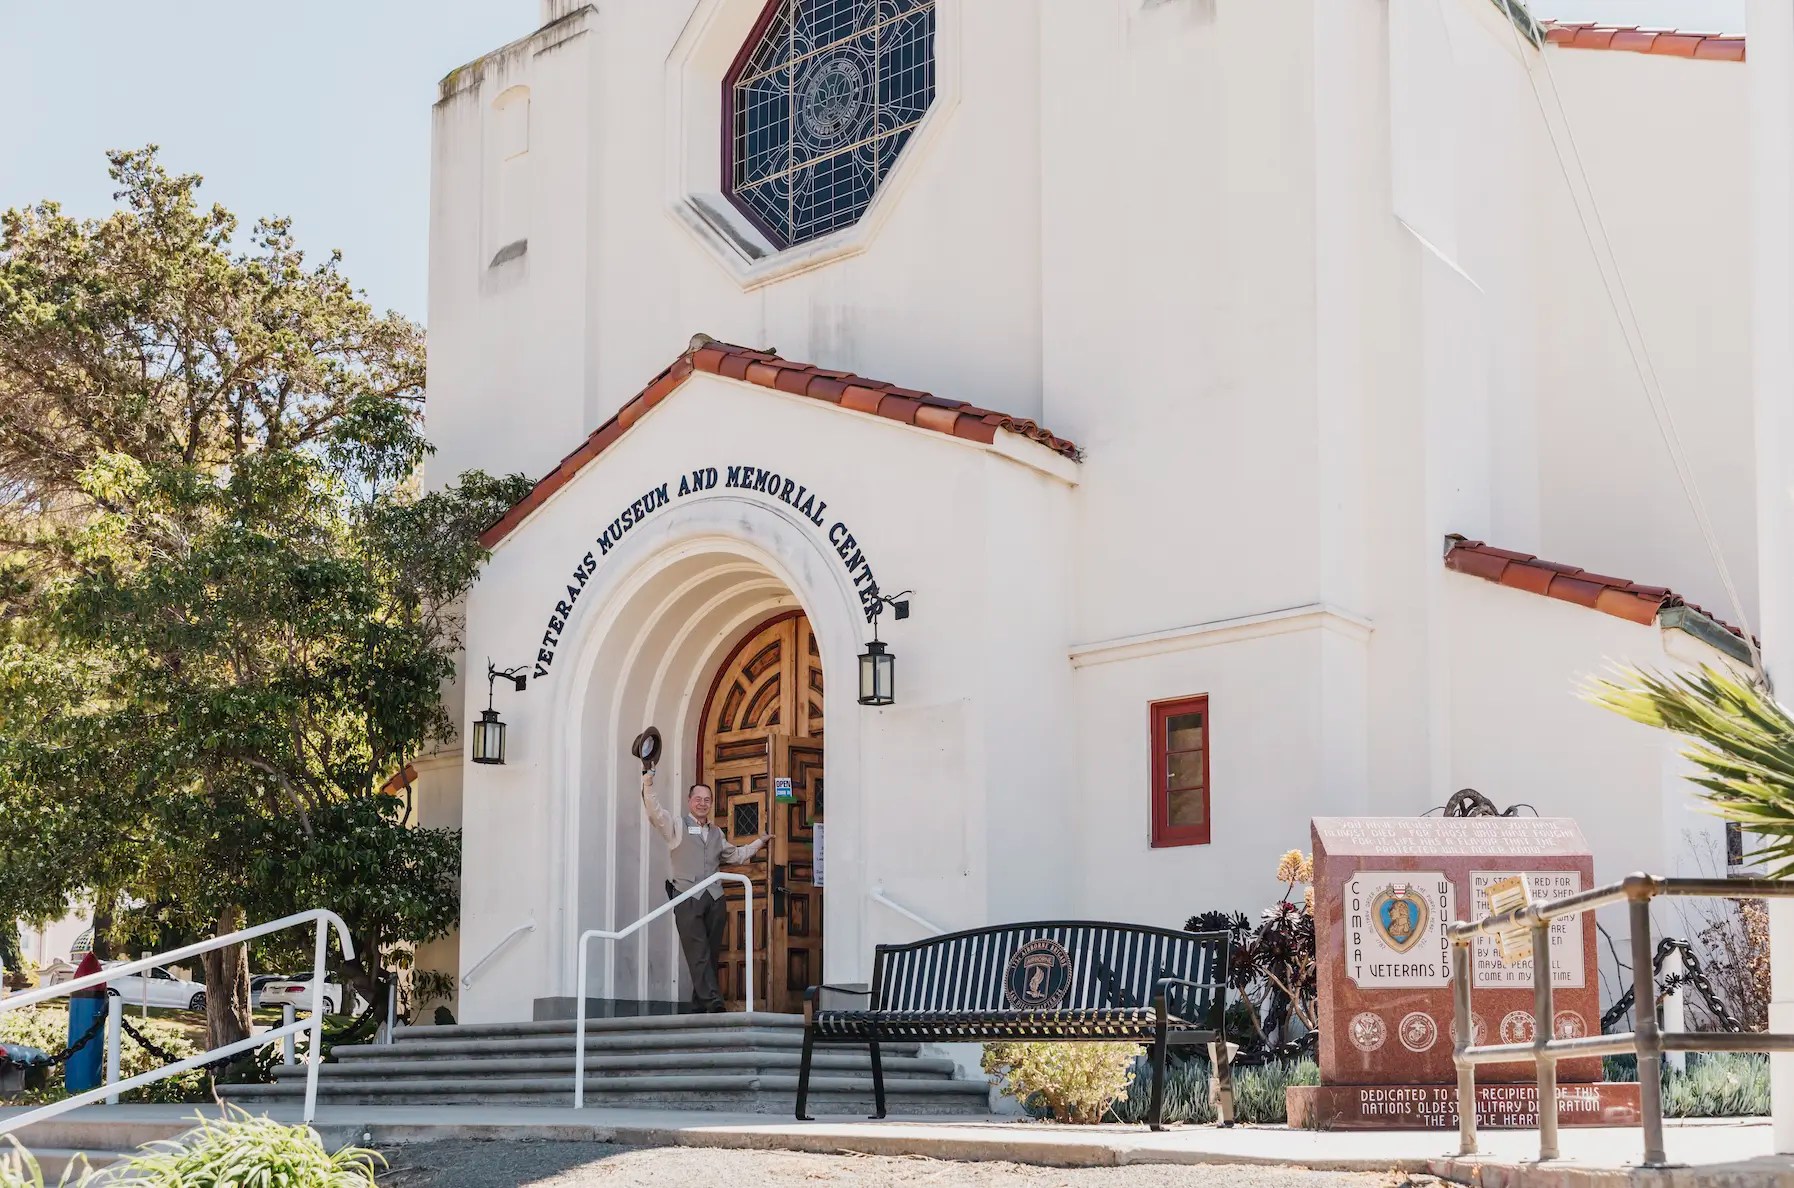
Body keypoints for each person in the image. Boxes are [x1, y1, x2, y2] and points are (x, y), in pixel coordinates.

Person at [640, 768, 771, 1013]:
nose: (702, 804)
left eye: (707, 800)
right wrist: (648, 783)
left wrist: (759, 842)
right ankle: (714, 1002)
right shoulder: (676, 826)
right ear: (690, 802)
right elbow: (654, 813)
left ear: (711, 804)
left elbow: (737, 855)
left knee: (710, 954)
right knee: (697, 952)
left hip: (715, 899)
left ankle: (699, 1007)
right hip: (687, 897)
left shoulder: (716, 833)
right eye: (698, 799)